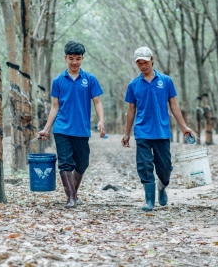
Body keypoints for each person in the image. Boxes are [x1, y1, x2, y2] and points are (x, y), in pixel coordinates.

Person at [121, 47, 193, 211]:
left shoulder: (166, 81)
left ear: (152, 59)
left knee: (165, 168)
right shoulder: (133, 85)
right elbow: (131, 110)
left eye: (145, 62)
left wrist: (184, 127)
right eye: (139, 63)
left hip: (161, 131)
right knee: (145, 166)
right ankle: (149, 201)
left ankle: (162, 187)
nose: (142, 66)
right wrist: (127, 133)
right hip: (142, 132)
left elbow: (173, 105)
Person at [38, 41, 106, 209]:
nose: (74, 62)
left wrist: (101, 119)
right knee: (65, 163)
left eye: (78, 58)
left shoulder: (90, 79)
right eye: (71, 58)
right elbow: (55, 106)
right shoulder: (58, 80)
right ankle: (71, 198)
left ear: (82, 58)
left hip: (82, 129)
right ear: (65, 58)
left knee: (82, 163)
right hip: (62, 128)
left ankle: (72, 193)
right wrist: (46, 129)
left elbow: (97, 102)